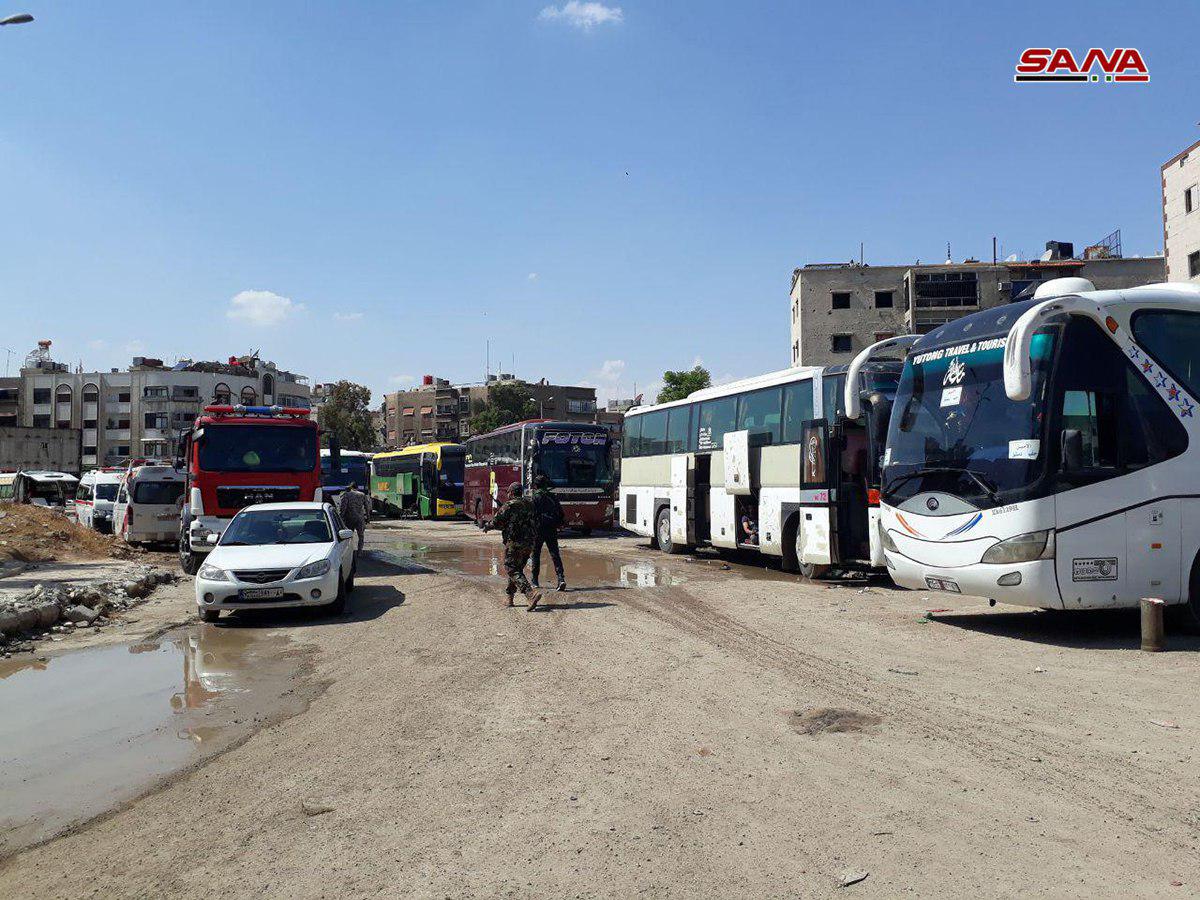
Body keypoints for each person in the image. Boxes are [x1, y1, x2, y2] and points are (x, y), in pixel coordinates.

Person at [486, 483, 543, 609]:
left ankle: (530, 593)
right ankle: (510, 598)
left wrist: (486, 526)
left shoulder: (509, 505)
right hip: (529, 542)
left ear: (511, 493)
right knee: (516, 570)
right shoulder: (530, 504)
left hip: (515, 542)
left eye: (508, 492)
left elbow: (496, 522)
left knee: (511, 568)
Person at [530, 474, 566, 591]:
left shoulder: (534, 498)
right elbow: (561, 514)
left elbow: (530, 515)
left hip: (537, 530)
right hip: (551, 529)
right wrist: (558, 525)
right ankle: (561, 579)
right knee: (555, 554)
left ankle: (535, 581)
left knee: (536, 554)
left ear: (535, 485)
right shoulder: (552, 497)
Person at [337, 481, 369, 551]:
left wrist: (340, 518)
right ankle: (360, 551)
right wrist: (368, 518)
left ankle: (350, 551)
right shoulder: (362, 495)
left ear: (350, 487)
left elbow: (343, 508)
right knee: (361, 536)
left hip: (349, 518)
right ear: (357, 487)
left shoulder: (347, 494)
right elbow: (367, 507)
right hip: (360, 518)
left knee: (348, 536)